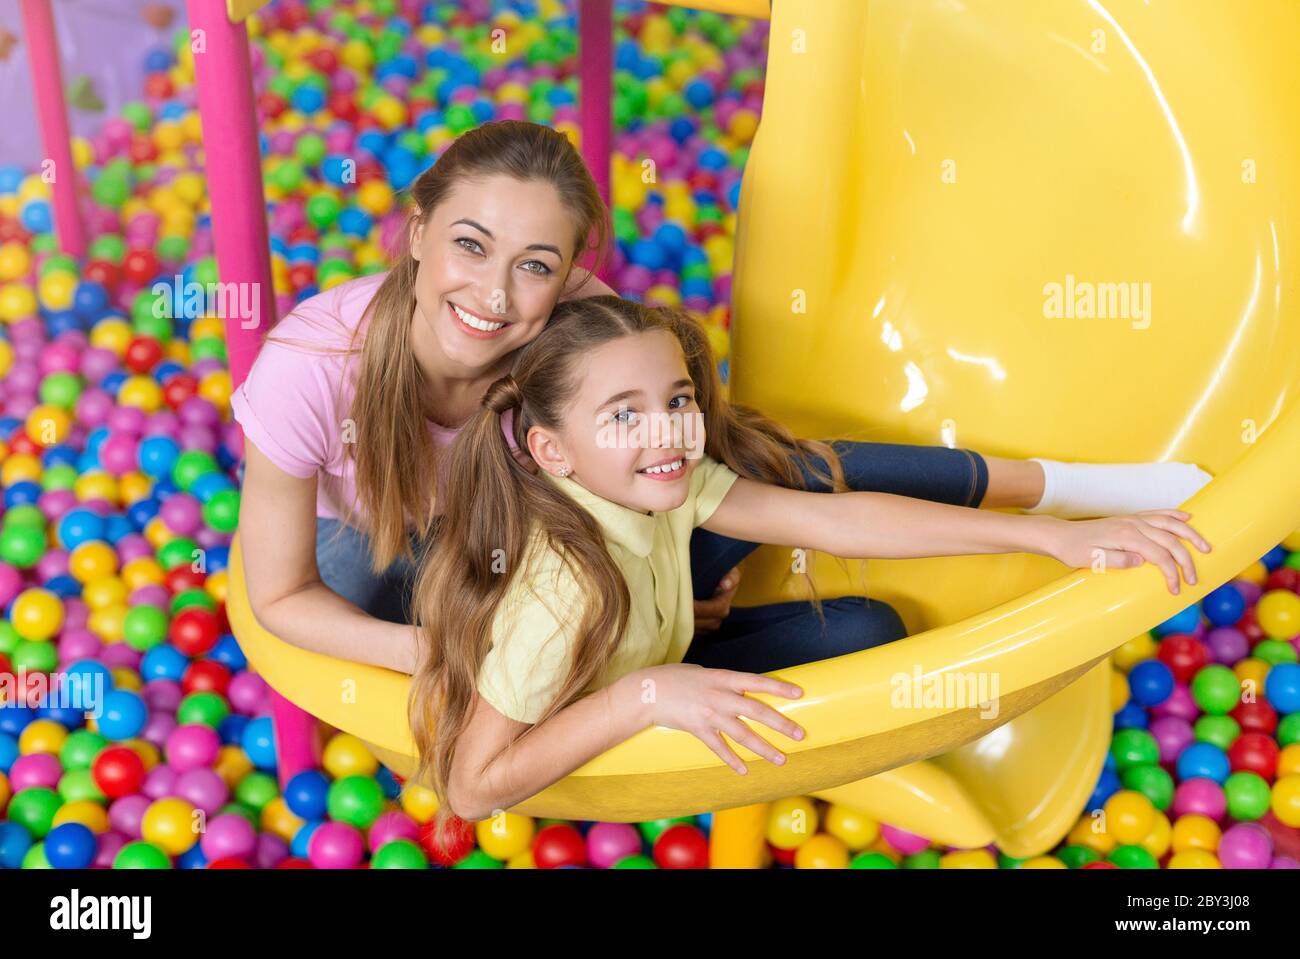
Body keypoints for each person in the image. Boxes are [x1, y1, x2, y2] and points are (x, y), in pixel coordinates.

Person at [233, 119, 1212, 676]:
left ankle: (1073, 488)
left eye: (535, 265)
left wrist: (660, 564)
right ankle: (650, 667)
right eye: (469, 245)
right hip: (404, 551)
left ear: (573, 273)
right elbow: (281, 594)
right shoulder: (313, 365)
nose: (492, 297)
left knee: (797, 473)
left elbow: (682, 478)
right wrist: (448, 653)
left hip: (550, 524)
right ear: (415, 231)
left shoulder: (580, 329)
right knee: (853, 632)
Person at [406, 295, 1211, 834]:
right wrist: (644, 694)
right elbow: (472, 787)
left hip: (658, 653)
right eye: (625, 415)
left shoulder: (658, 478)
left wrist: (1056, 538)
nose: (672, 433)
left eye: (679, 398)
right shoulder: (558, 593)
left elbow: (835, 520)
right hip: (609, 734)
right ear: (553, 452)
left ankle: (1055, 488)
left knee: (872, 622)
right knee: (857, 629)